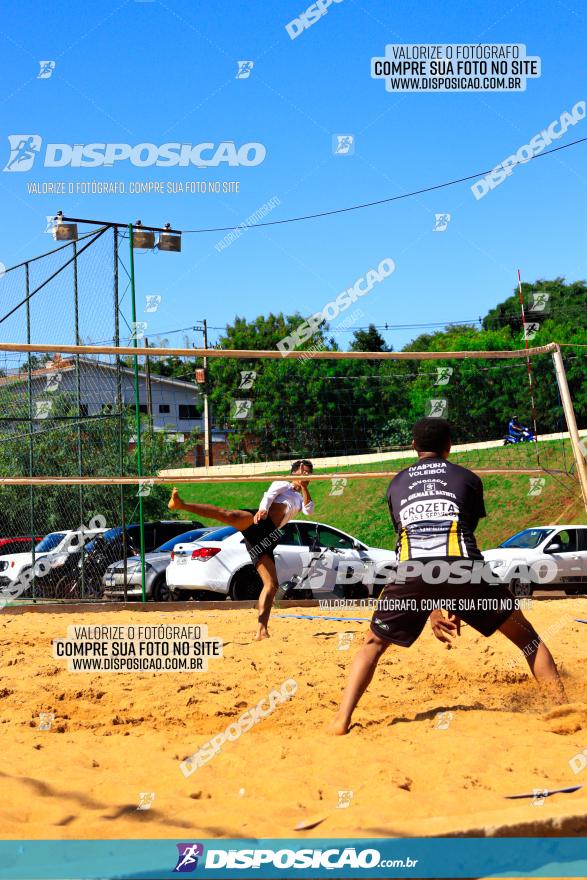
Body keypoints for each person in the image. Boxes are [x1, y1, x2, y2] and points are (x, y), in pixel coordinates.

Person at [329, 418, 566, 735]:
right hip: (464, 566)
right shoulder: (467, 479)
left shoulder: (396, 484)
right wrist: (452, 599)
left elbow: (413, 541)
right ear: (449, 447)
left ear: (414, 446)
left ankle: (340, 721)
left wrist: (436, 604)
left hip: (412, 570)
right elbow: (463, 533)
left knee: (372, 643)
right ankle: (563, 709)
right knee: (527, 638)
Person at [168, 460, 314, 640]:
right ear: (294, 473)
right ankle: (182, 505)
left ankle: (261, 630)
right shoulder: (283, 483)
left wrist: (304, 487)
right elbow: (269, 495)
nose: (306, 476)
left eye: (309, 474)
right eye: (303, 472)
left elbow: (309, 511)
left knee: (272, 584)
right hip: (260, 520)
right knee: (227, 515)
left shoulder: (300, 498)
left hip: (268, 536)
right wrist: (262, 510)